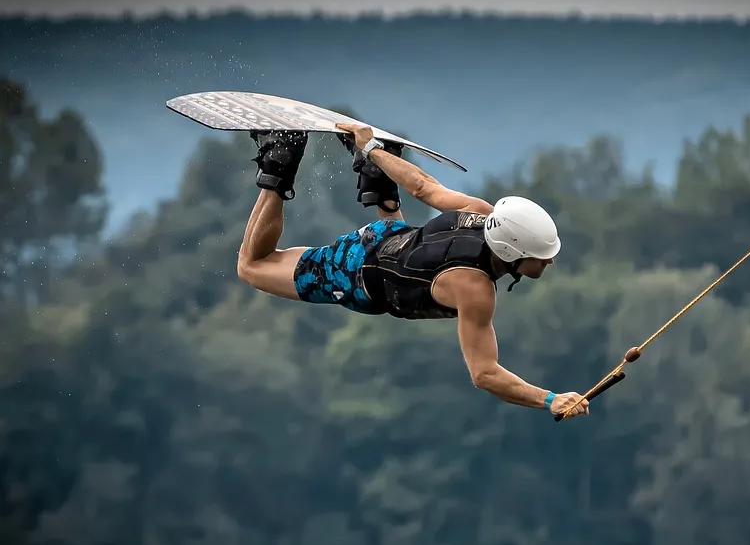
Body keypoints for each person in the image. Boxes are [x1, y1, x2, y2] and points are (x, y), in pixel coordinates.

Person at [236, 124, 590, 420]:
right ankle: (279, 162)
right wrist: (549, 399)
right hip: (355, 270)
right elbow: (484, 374)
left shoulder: (479, 211)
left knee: (409, 255)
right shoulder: (476, 290)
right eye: (541, 257)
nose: (549, 262)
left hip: (391, 235)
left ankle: (376, 173)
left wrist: (374, 148)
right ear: (511, 252)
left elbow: (423, 186)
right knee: (252, 266)